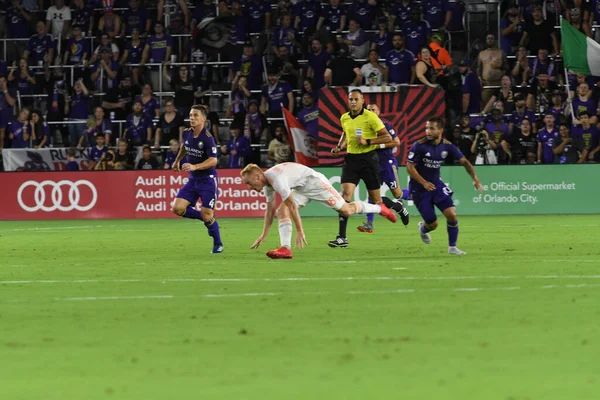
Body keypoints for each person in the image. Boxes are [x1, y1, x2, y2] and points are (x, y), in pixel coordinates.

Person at [240, 162, 399, 259]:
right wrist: (264, 235)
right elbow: (270, 211)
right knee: (281, 211)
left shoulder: (277, 179)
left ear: (257, 177)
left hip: (315, 184)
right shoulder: (267, 182)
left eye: (249, 183)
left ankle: (379, 208)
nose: (249, 188)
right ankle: (285, 249)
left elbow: (292, 206)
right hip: (302, 188)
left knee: (346, 210)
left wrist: (300, 231)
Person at [329, 88, 404, 248]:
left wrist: (368, 141)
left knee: (377, 201)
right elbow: (345, 133)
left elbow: (387, 137)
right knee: (345, 197)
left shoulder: (371, 117)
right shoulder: (344, 118)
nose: (353, 102)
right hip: (351, 160)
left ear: (362, 101)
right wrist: (339, 147)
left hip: (369, 160)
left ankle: (395, 206)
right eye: (351, 99)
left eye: (356, 99)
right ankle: (342, 237)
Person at [407, 117, 483, 255]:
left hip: (437, 185)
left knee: (452, 214)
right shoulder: (419, 145)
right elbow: (410, 168)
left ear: (440, 130)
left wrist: (475, 179)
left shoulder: (448, 147)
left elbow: (465, 162)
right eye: (426, 128)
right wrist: (423, 182)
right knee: (433, 224)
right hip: (419, 189)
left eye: (431, 128)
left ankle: (452, 247)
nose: (427, 131)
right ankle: (423, 228)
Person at [170, 105, 223, 254]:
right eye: (191, 115)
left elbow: (213, 161)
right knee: (177, 208)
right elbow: (184, 147)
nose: (192, 118)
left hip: (208, 180)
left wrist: (195, 166)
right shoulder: (186, 133)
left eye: (195, 115)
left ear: (203, 119)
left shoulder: (208, 138)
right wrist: (177, 161)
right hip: (193, 180)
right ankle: (207, 220)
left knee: (208, 213)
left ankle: (218, 243)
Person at [357, 103, 409, 234]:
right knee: (372, 193)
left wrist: (376, 146)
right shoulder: (365, 127)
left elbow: (396, 142)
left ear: (378, 112)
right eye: (368, 110)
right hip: (373, 164)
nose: (370, 111)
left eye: (373, 109)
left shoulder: (385, 126)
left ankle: (416, 194)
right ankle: (369, 223)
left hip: (387, 163)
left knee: (398, 194)